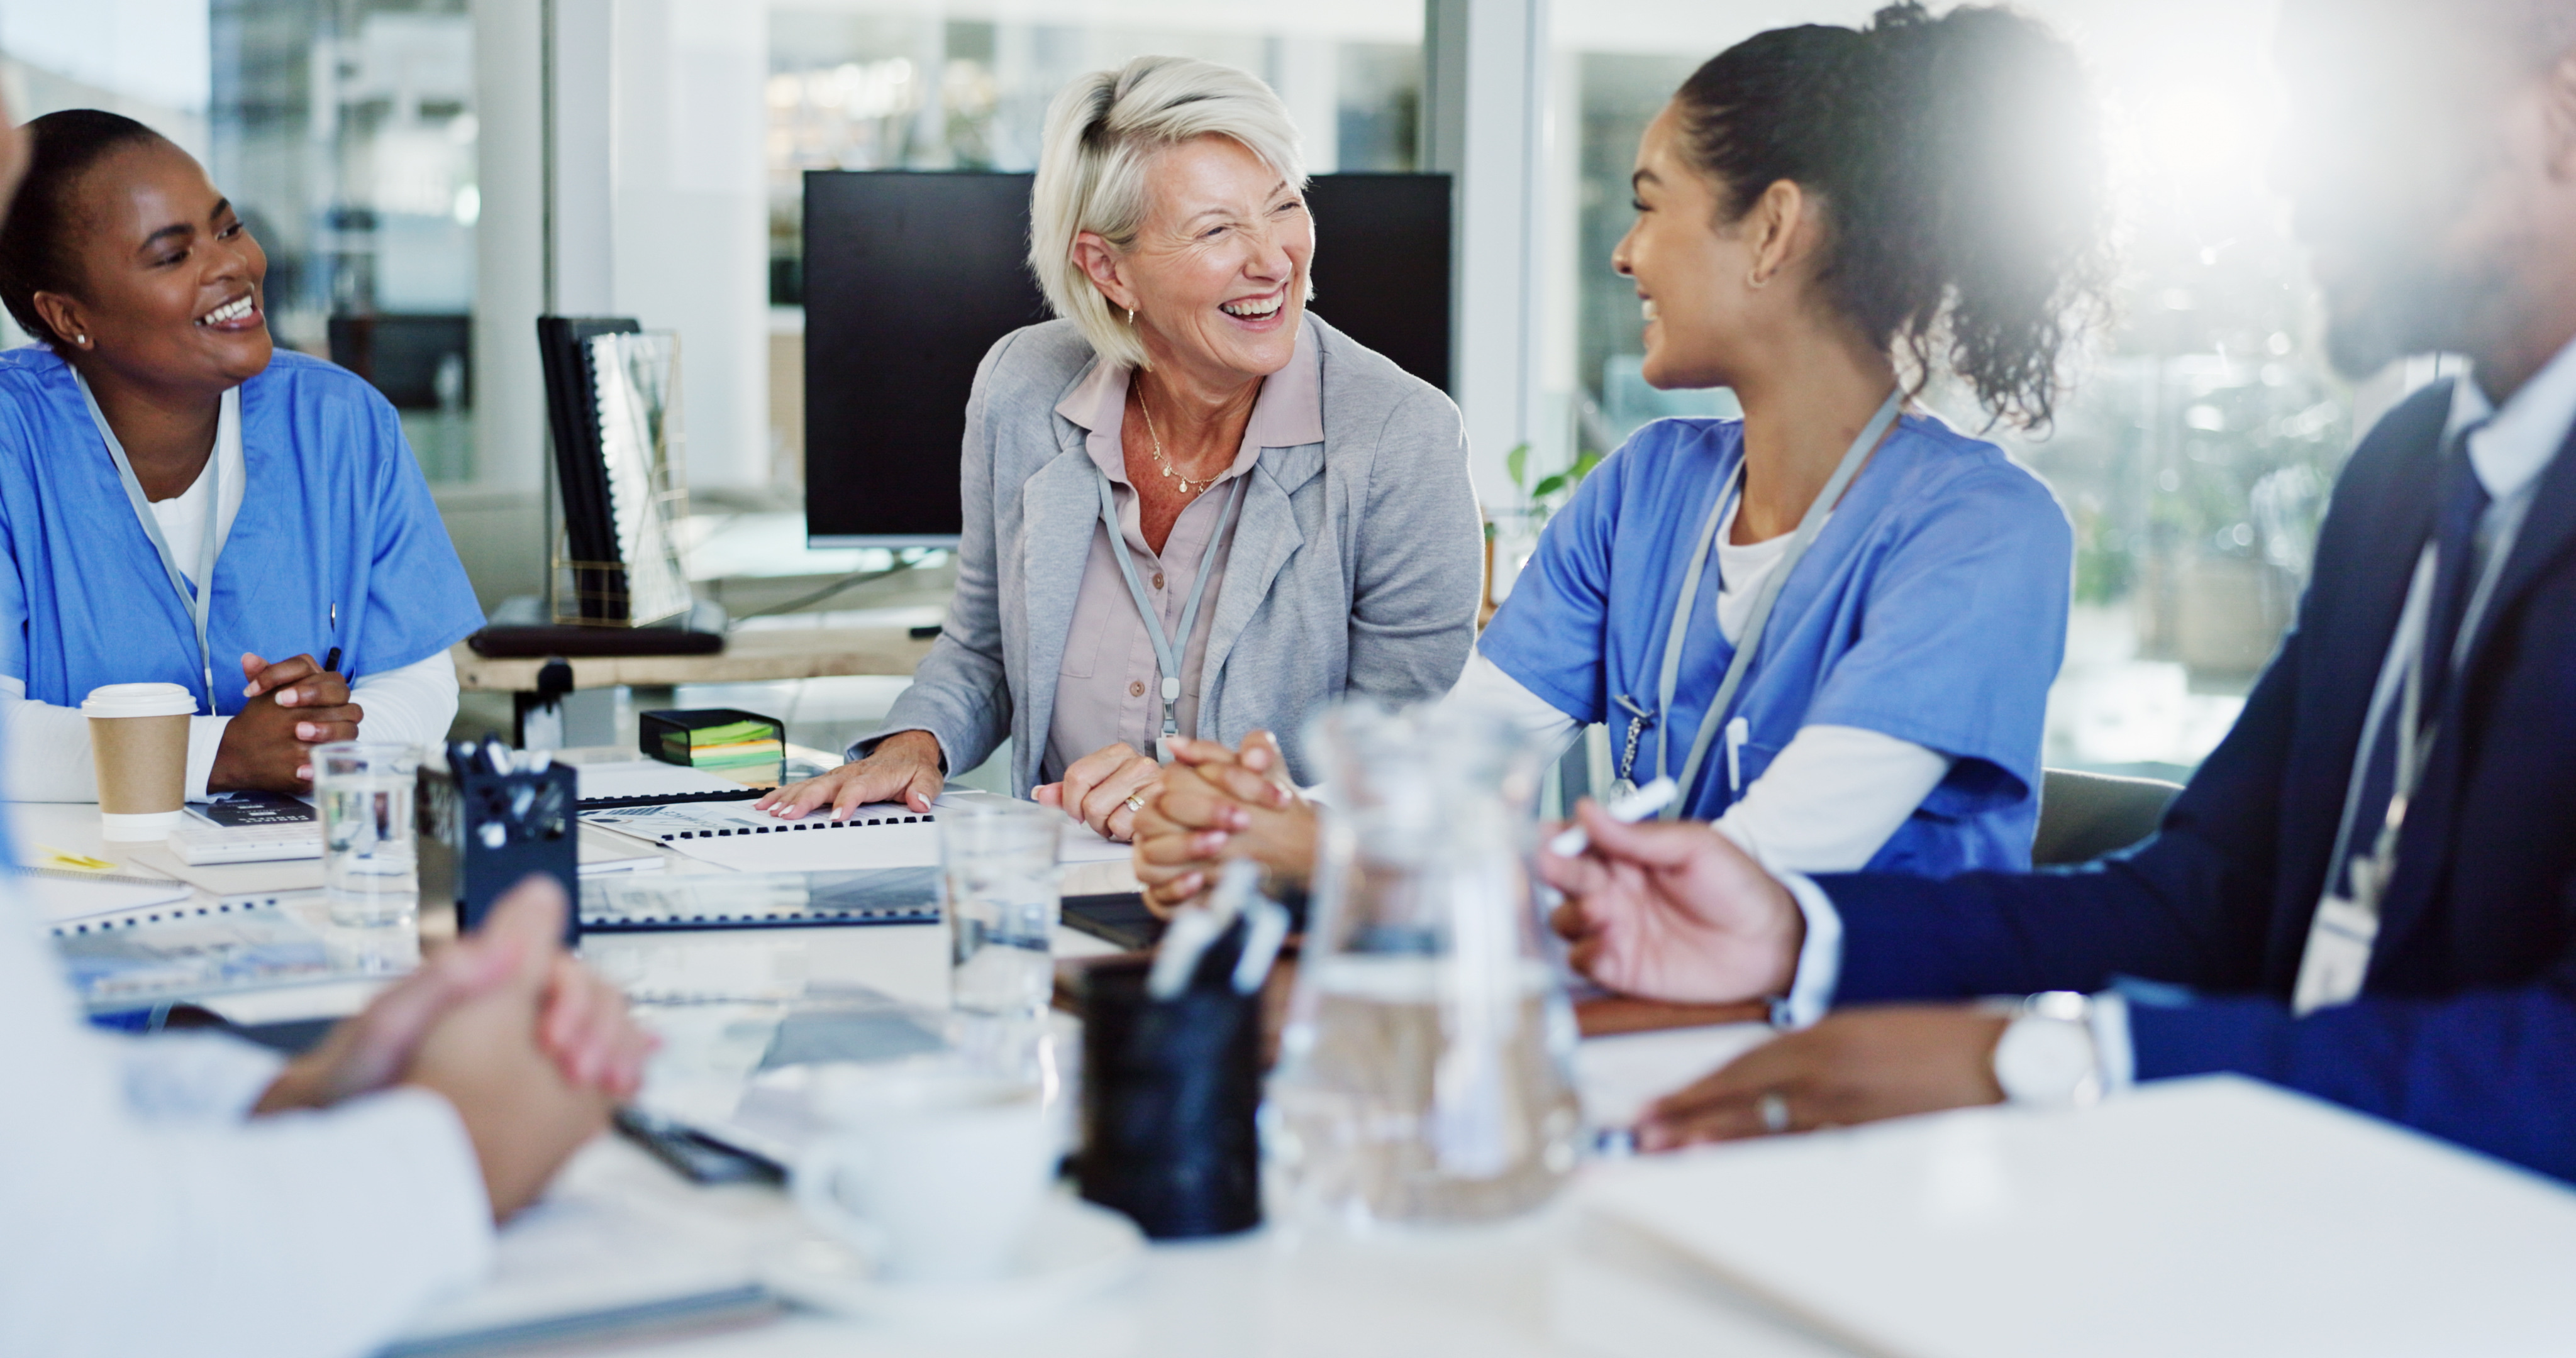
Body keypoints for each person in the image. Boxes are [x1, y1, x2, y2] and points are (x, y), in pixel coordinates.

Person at [1539, 0, 2576, 1185]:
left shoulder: (1974, 523)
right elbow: (2207, 894)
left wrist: (2049, 1059)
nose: (2294, 171)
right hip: (2303, 1198)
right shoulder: (2408, 471)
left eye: (2358, 108)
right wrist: (1794, 929)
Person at [1131, 3, 2110, 911]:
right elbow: (1451, 768)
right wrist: (1246, 810)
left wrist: (1324, 851)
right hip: (1650, 1037)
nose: (1625, 255)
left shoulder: (1981, 536)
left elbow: (1739, 886)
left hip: (1877, 1077)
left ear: (1771, 230)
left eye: (1650, 206)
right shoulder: (1645, 492)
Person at [757, 55, 1482, 842]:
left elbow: (1406, 763)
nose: (1273, 259)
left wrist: (1214, 811)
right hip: (1058, 896)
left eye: (1282, 206)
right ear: (1107, 268)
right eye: (1216, 229)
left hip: (1269, 915)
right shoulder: (1021, 387)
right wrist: (914, 744)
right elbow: (985, 645)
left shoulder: (1400, 438)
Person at [0, 109, 482, 802]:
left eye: (227, 228)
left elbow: (418, 680)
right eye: (173, 256)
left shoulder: (339, 423)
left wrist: (325, 738)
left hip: (295, 875)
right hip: (71, 890)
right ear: (71, 318)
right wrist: (218, 756)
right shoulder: (14, 442)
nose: (233, 264)